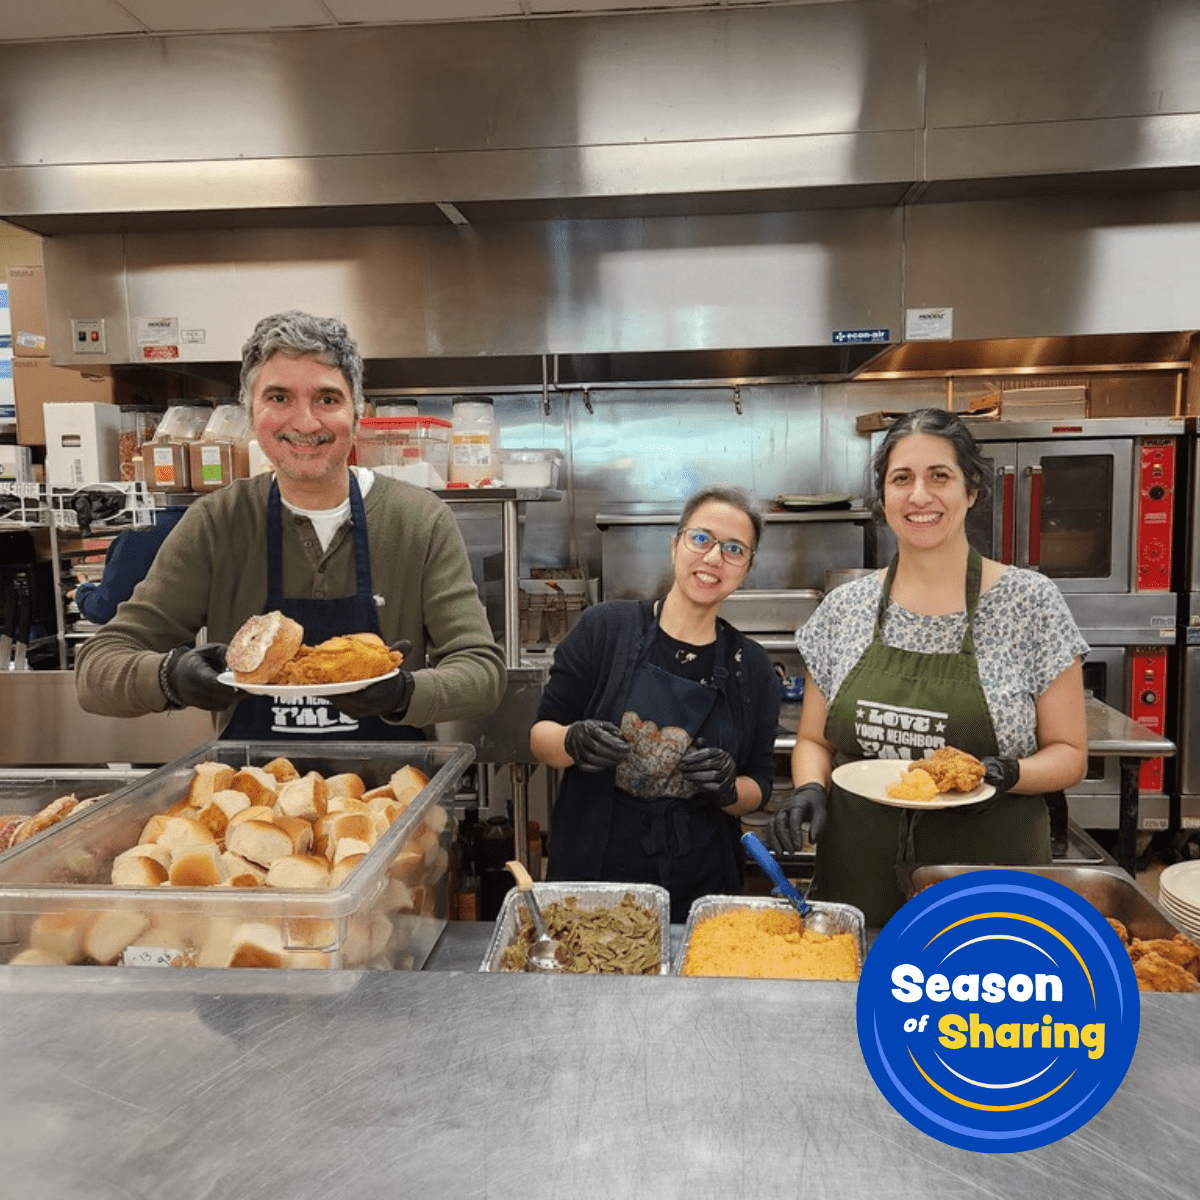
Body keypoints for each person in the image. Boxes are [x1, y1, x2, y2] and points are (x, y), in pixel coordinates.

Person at [76, 310, 506, 740]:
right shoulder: (217, 523)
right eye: (279, 398)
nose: (305, 423)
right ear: (251, 412)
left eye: (327, 399)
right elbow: (96, 670)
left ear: (357, 413)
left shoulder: (418, 520)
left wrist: (404, 692)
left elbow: (482, 673)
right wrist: (169, 676)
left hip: (388, 796)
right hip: (252, 793)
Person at [766, 407, 1089, 927]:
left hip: (987, 880)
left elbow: (1070, 754)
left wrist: (1006, 773)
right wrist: (808, 788)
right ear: (884, 498)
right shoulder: (845, 609)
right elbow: (814, 741)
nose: (920, 495)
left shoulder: (1030, 602)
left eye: (940, 476)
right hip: (858, 879)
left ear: (972, 489)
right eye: (902, 479)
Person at [530, 484, 780, 923]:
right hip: (593, 874)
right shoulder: (606, 628)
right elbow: (540, 735)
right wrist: (573, 740)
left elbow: (757, 787)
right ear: (675, 544)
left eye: (734, 549)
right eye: (701, 538)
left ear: (746, 567)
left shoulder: (752, 665)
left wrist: (727, 789)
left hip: (700, 880)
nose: (713, 557)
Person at [70, 508, 186, 625]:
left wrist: (81, 592)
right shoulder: (196, 518)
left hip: (168, 635)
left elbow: (104, 608)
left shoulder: (142, 533)